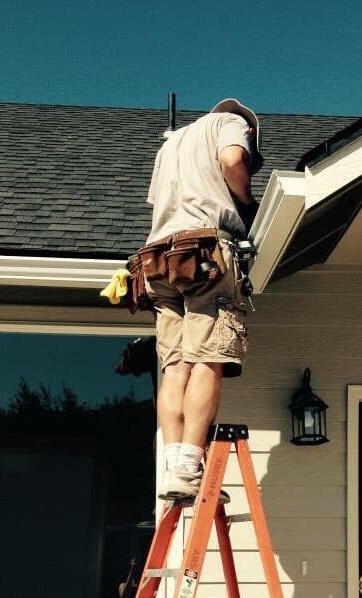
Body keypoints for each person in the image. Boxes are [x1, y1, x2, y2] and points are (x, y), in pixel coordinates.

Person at [140, 98, 263, 501]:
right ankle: (191, 467)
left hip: (156, 258)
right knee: (209, 356)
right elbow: (232, 160)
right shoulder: (230, 123)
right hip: (204, 251)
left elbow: (158, 202)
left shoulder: (171, 143)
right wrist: (246, 203)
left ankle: (175, 467)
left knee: (175, 365)